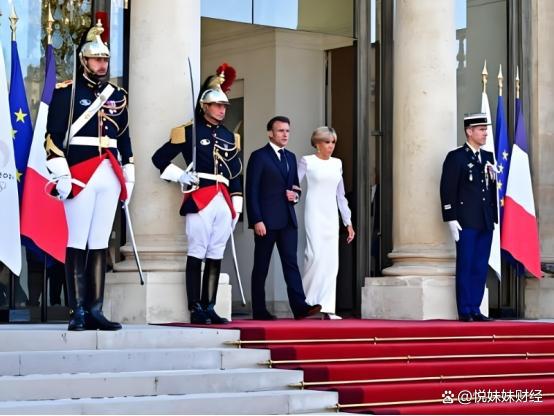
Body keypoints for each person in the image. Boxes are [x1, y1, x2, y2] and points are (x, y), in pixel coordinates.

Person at [45, 21, 133, 331]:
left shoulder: (116, 95)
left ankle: (95, 309)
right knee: (78, 241)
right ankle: (77, 310)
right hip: (79, 174)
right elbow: (52, 137)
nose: (102, 64)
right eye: (97, 59)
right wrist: (61, 173)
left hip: (109, 173)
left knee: (99, 243)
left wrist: (129, 173)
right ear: (84, 60)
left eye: (105, 59)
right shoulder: (67, 94)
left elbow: (124, 138)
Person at [152, 64, 242, 325]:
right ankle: (195, 307)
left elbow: (235, 172)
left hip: (223, 197)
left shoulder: (230, 136)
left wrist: (237, 203)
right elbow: (159, 158)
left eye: (224, 106)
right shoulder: (189, 131)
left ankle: (210, 305)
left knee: (216, 252)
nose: (222, 110)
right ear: (205, 105)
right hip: (200, 194)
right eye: (217, 105)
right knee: (197, 250)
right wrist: (180, 175)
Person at [246, 116, 321, 320]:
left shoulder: (290, 157)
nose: (285, 134)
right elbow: (251, 191)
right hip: (266, 222)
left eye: (287, 131)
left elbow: (295, 187)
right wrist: (256, 220)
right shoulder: (259, 156)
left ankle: (300, 307)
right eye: (280, 131)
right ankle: (259, 310)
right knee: (261, 266)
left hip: (287, 220)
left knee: (291, 264)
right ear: (270, 133)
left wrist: (295, 196)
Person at [440, 113, 497, 322]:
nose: (485, 133)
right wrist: (451, 217)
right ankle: (465, 309)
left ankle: (475, 307)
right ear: (469, 131)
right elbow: (447, 189)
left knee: (480, 265)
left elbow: (490, 190)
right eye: (481, 129)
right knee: (466, 263)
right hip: (465, 221)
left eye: (485, 129)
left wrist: (493, 217)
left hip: (484, 219)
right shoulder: (456, 157)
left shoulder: (488, 157)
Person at [298, 127, 355, 320]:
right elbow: (294, 186)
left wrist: (348, 222)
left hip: (331, 215)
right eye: (326, 142)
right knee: (313, 256)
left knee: (331, 261)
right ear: (317, 143)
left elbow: (341, 196)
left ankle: (328, 308)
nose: (330, 146)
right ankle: (305, 304)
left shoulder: (337, 163)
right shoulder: (307, 161)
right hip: (314, 213)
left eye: (333, 142)